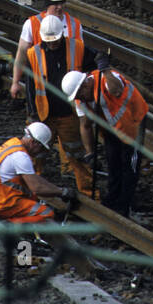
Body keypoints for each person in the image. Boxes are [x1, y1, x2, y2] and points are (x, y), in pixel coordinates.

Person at [23, 15, 100, 196]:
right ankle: (30, 193)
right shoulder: (33, 54)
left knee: (76, 154)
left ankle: (90, 194)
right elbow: (30, 85)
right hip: (43, 114)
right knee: (35, 156)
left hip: (68, 113)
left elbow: (96, 61)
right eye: (49, 42)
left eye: (55, 41)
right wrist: (32, 113)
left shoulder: (77, 47)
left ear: (62, 35)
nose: (52, 45)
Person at [62, 66, 149, 217]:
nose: (79, 98)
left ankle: (125, 205)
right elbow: (85, 126)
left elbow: (116, 90)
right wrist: (90, 153)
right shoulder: (80, 99)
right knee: (113, 161)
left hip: (132, 124)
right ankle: (112, 199)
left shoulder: (106, 79)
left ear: (86, 84)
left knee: (129, 166)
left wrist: (106, 69)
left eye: (80, 94)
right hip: (111, 128)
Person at [0, 120, 74, 224]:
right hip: (1, 204)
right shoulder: (21, 157)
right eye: (41, 148)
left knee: (33, 199)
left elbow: (35, 180)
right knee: (47, 213)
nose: (40, 152)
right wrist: (62, 192)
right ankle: (11, 225)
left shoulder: (11, 145)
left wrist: (56, 189)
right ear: (34, 143)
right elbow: (37, 188)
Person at [10, 0, 83, 101]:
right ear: (47, 3)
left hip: (69, 84)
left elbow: (81, 54)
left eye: (62, 2)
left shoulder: (75, 24)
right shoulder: (32, 24)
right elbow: (22, 54)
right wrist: (15, 82)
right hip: (42, 86)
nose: (59, 7)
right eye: (55, 3)